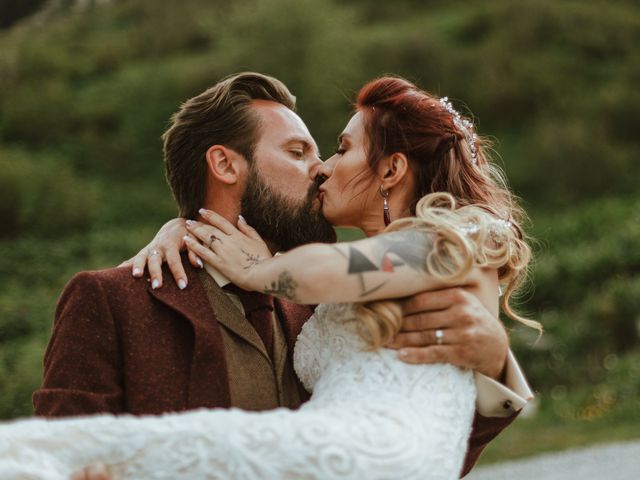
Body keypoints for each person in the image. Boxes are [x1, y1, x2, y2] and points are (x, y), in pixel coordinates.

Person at [20, 73, 533, 478]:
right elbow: (61, 461)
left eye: (331, 150)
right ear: (225, 164)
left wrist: (492, 362)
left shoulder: (327, 305)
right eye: (297, 152)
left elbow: (426, 451)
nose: (321, 169)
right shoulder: (112, 300)